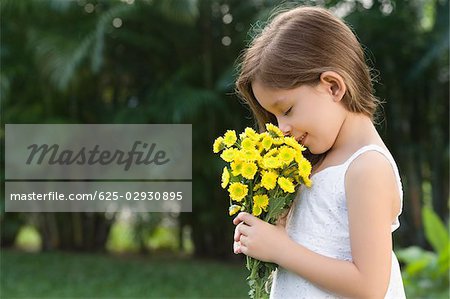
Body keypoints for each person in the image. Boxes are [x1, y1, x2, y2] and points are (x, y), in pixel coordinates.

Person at [232, 5, 406, 298]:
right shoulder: (315, 162)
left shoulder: (367, 168)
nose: (280, 128)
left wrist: (281, 248)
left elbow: (369, 286)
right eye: (273, 117)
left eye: (286, 110)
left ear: (333, 87)